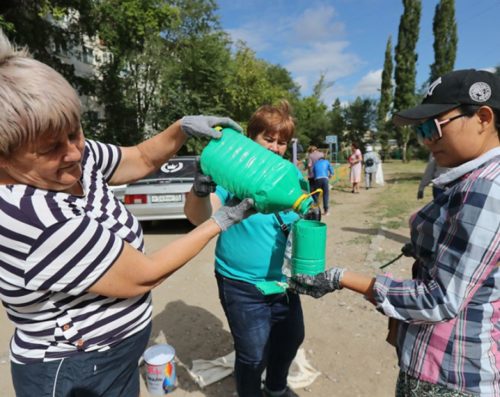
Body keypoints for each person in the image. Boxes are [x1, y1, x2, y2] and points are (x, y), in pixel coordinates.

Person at [0, 30, 255, 397]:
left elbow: (140, 158)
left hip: (113, 354)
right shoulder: (32, 215)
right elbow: (142, 276)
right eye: (51, 148)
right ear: (5, 157)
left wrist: (181, 128)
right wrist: (220, 221)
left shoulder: (77, 159)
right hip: (73, 369)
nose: (73, 152)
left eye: (75, 132)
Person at [290, 69, 500, 396]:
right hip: (432, 361)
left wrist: (341, 277)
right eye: (421, 130)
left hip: (452, 376)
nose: (427, 139)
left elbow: (439, 299)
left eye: (434, 127)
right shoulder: (468, 180)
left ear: (483, 118)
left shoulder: (487, 188)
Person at [184, 101, 303, 397]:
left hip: (284, 283)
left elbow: (297, 219)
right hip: (241, 284)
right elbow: (199, 217)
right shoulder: (234, 177)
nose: (275, 147)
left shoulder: (291, 175)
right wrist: (200, 190)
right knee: (252, 355)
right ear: (251, 139)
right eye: (268, 138)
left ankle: (276, 388)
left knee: (290, 340)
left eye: (282, 142)